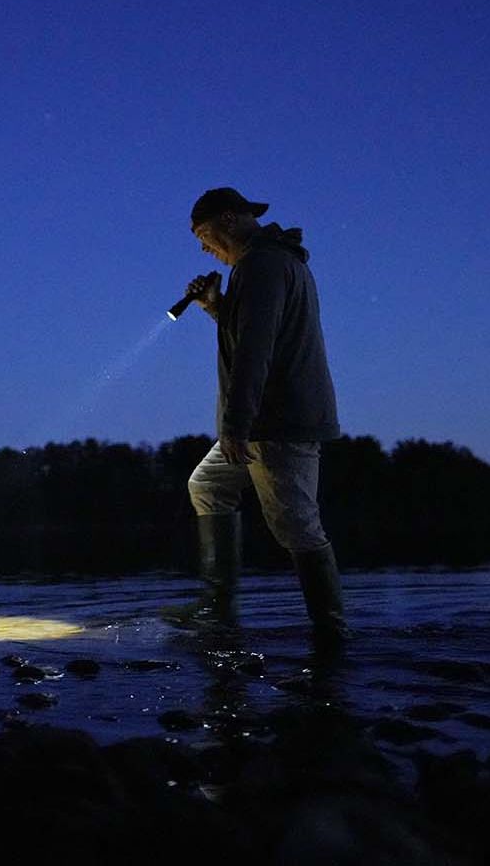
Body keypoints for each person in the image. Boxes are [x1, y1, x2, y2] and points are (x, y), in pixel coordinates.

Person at [171, 187, 350, 647]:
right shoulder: (266, 265)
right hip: (265, 420)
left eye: (204, 235)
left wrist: (236, 424)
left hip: (277, 422)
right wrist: (216, 306)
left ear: (229, 219)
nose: (202, 247)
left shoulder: (263, 266)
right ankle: (218, 609)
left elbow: (256, 349)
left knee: (296, 523)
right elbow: (250, 330)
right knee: (208, 485)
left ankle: (331, 633)